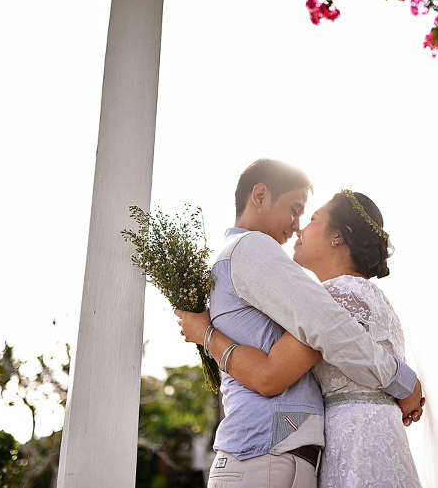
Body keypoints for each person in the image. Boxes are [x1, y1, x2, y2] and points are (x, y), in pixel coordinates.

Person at [176, 159, 424, 488]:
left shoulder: (328, 288)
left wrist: (204, 334)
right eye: (294, 210)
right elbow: (274, 372)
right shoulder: (252, 247)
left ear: (339, 236)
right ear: (260, 195)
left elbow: (321, 327)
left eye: (307, 216)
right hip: (266, 453)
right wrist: (402, 382)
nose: (297, 226)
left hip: (278, 453)